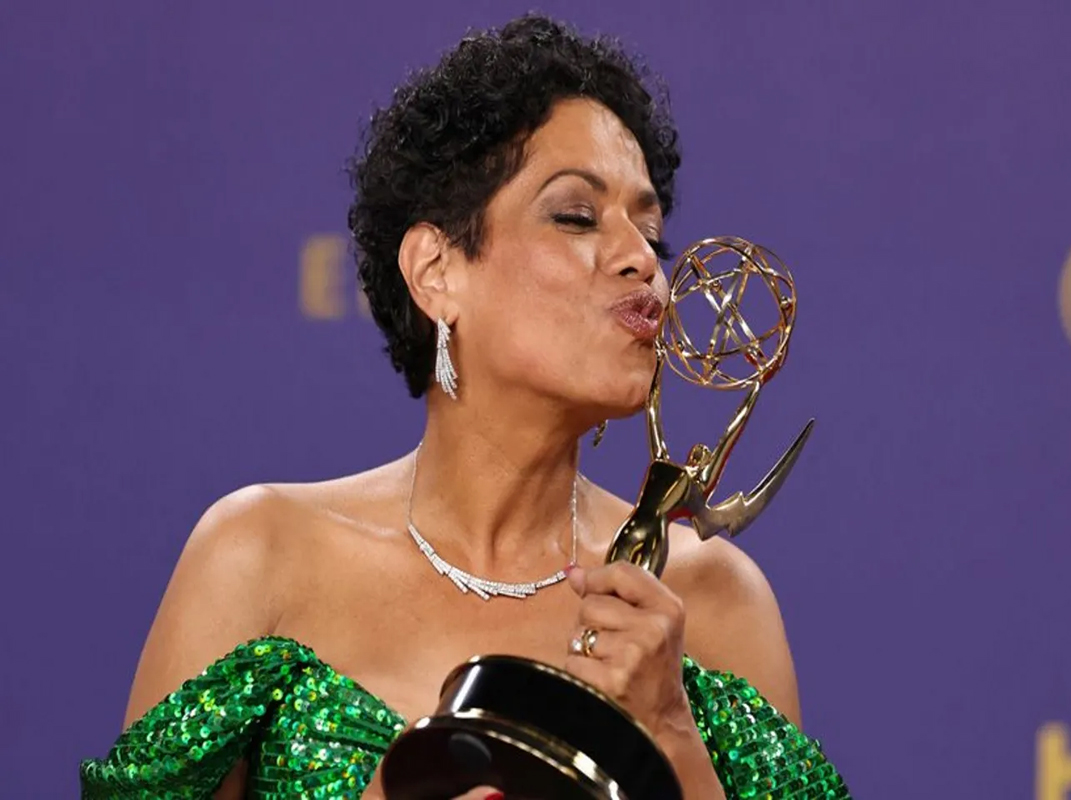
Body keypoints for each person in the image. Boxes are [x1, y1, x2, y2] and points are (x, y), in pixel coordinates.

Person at [79, 13, 851, 800]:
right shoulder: (260, 555)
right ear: (437, 270)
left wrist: (672, 734)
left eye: (651, 235)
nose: (642, 264)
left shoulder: (717, 602)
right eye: (577, 216)